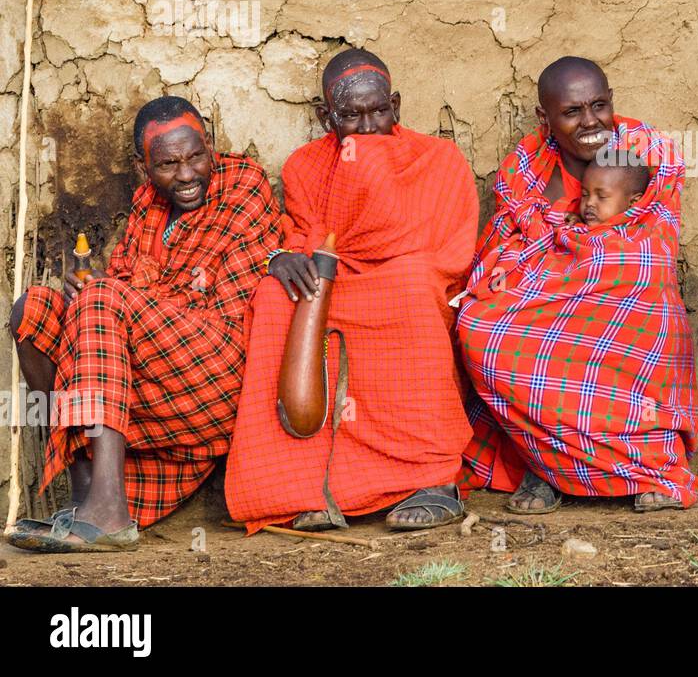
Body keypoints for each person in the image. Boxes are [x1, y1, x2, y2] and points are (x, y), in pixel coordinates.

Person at [8, 97, 281, 552]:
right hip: (151, 365)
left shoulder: (243, 185)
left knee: (100, 298)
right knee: (32, 309)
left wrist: (111, 295)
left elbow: (227, 310)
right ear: (142, 167)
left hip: (217, 368)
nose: (187, 174)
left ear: (210, 146)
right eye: (168, 164)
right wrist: (97, 290)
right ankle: (87, 489)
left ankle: (110, 512)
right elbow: (122, 291)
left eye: (196, 156)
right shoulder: (146, 205)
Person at [224, 49, 479, 532]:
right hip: (337, 276)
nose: (367, 127)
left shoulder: (439, 159)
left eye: (378, 111)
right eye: (350, 116)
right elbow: (304, 234)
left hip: (407, 279)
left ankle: (431, 479)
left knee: (409, 291)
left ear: (396, 105)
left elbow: (449, 255)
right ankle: (306, 487)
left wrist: (383, 239)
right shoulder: (305, 166)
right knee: (276, 301)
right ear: (326, 117)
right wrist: (283, 258)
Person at [457, 56, 698, 514]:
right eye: (572, 112)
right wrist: (554, 265)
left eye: (599, 105)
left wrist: (580, 251)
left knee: (646, 299)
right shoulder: (526, 166)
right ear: (544, 118)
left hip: (627, 290)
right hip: (547, 293)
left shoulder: (650, 150)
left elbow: (651, 236)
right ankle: (545, 463)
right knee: (478, 328)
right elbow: (509, 244)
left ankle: (652, 468)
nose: (591, 122)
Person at [569, 150, 650, 227]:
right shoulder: (577, 226)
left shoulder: (638, 236)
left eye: (602, 196)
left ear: (633, 202)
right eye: (585, 194)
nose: (589, 202)